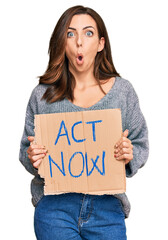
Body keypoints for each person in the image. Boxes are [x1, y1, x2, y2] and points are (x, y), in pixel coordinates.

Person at [19, 5, 149, 240]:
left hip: (107, 210)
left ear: (100, 44)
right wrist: (33, 156)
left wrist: (129, 154)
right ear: (62, 43)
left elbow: (140, 144)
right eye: (70, 34)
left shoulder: (122, 92)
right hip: (55, 210)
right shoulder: (42, 95)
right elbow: (25, 154)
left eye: (88, 33)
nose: (79, 41)